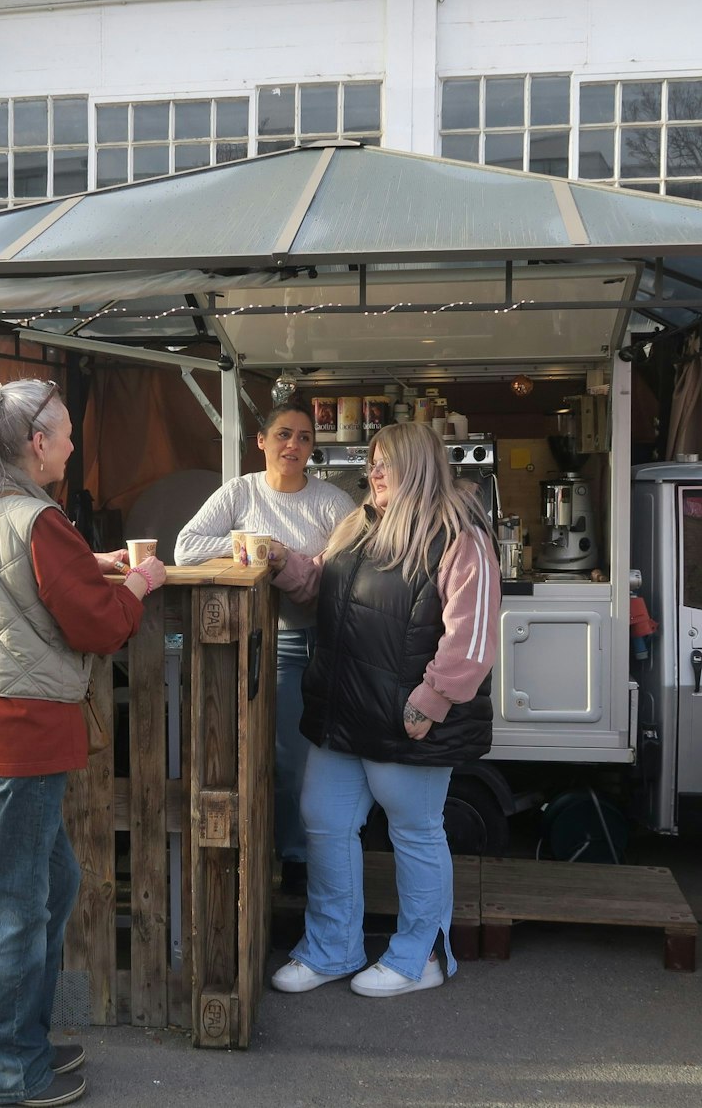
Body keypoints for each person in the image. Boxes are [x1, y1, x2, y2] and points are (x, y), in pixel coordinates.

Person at [0, 378, 166, 1108]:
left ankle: (22, 1042)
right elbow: (97, 625)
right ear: (37, 445)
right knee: (18, 901)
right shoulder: (37, 521)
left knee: (49, 884)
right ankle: (2, 1068)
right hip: (24, 729)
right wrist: (140, 582)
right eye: (65, 434)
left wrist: (83, 565)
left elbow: (26, 584)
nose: (72, 445)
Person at [266, 421, 500, 999]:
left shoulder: (458, 534)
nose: (371, 473)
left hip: (406, 719)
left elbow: (472, 637)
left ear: (416, 466)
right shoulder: (358, 524)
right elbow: (322, 582)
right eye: (370, 462)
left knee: (416, 833)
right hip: (342, 712)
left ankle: (421, 956)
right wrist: (282, 564)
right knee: (324, 821)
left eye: (383, 463)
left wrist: (432, 700)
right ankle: (331, 948)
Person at [175, 397, 356, 894]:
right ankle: (282, 859)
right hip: (266, 643)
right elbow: (185, 548)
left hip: (325, 643)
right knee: (274, 757)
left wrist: (290, 558)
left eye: (303, 437)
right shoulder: (239, 492)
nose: (293, 445)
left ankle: (307, 858)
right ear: (261, 442)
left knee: (320, 759)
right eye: (283, 435)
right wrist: (252, 543)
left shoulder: (331, 502)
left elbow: (350, 564)